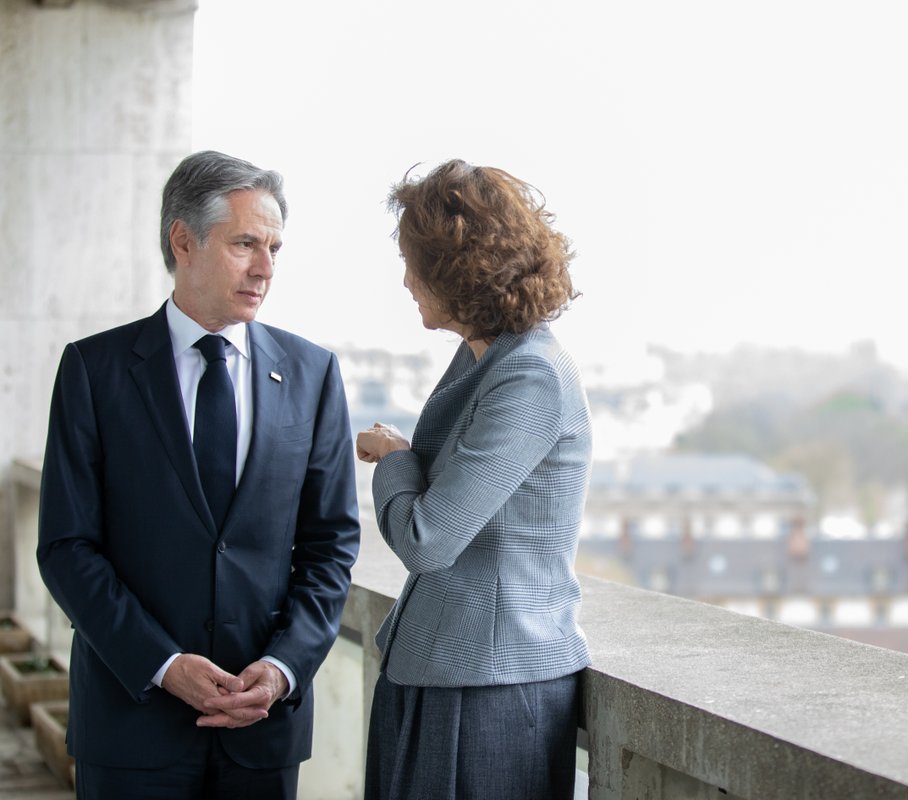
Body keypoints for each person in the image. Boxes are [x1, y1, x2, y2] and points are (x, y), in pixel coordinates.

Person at [37, 150, 361, 800]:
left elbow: (330, 548)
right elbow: (67, 546)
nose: (266, 268)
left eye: (273, 247)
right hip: (130, 723)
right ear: (182, 240)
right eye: (246, 244)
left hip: (261, 728)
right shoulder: (94, 372)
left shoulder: (313, 374)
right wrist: (162, 664)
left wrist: (281, 668)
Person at [355, 159, 591, 800]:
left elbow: (429, 540)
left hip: (490, 683)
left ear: (459, 271)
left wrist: (394, 457)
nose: (405, 281)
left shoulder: (530, 375)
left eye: (415, 263)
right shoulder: (486, 359)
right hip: (442, 669)